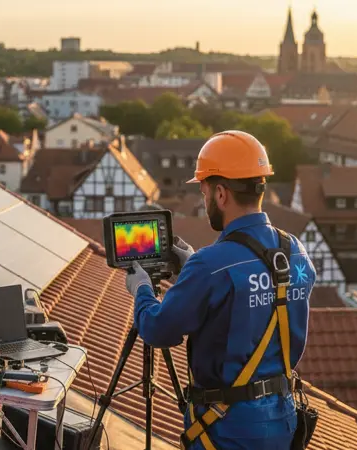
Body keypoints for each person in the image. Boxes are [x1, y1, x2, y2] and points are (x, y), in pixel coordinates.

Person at [125, 131, 316, 450]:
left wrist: (141, 287)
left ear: (221, 193)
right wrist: (194, 268)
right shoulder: (294, 251)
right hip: (281, 418)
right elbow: (251, 294)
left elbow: (159, 330)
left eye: (204, 193)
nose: (205, 201)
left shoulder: (210, 266)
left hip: (228, 427)